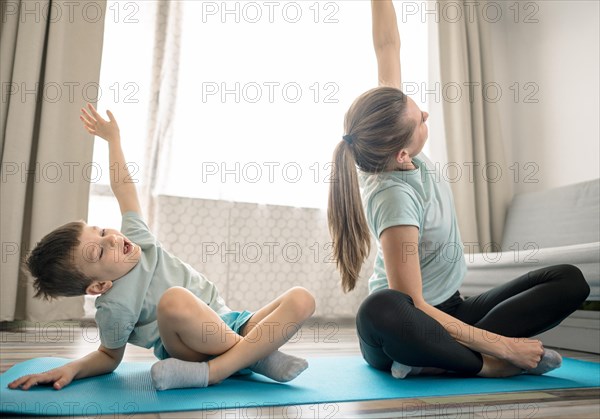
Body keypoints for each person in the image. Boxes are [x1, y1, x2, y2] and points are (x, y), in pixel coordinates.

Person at [327, 0, 589, 379]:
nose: (425, 115)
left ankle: (440, 358)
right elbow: (413, 305)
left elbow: (387, 46)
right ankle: (489, 365)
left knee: (569, 280)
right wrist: (502, 343)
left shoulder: (386, 131)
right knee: (380, 308)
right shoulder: (393, 198)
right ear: (402, 154)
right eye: (420, 120)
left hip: (451, 310)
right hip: (407, 324)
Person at [8, 104, 316, 391]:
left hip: (228, 321)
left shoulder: (136, 238)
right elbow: (108, 356)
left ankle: (233, 361)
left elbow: (123, 187)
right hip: (188, 349)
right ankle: (243, 360)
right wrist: (73, 369)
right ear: (99, 285)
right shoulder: (113, 307)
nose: (111, 238)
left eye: (101, 231)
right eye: (99, 251)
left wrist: (113, 139)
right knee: (174, 300)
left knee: (302, 299)